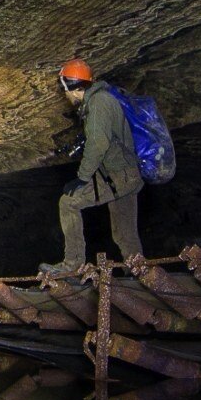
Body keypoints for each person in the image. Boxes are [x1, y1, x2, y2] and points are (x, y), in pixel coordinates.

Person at [41, 59, 144, 274]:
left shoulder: (98, 103)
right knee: (124, 232)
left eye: (64, 89)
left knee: (68, 203)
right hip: (128, 174)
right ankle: (139, 272)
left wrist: (82, 177)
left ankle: (72, 265)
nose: (65, 95)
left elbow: (98, 143)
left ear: (72, 86)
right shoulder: (100, 101)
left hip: (118, 176)